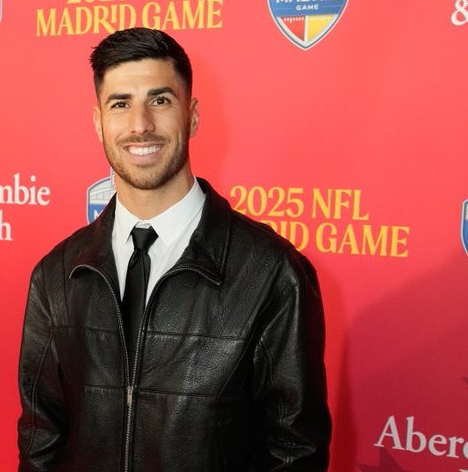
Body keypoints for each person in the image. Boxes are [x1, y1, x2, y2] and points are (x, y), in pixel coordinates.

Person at [18, 27, 331, 471]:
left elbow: (294, 453)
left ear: (193, 115)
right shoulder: (56, 275)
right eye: (120, 104)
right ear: (98, 123)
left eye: (160, 100)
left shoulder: (272, 274)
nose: (140, 124)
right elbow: (41, 442)